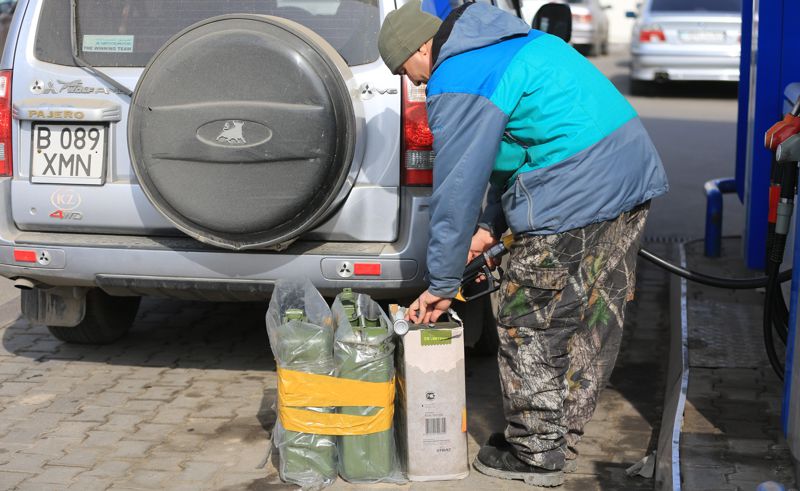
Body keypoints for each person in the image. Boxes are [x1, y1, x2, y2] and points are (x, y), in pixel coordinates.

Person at [378, 0, 668, 487]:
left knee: (526, 318)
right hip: (629, 175)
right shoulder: (515, 43)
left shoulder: (460, 75)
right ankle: (558, 437)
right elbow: (514, 151)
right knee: (593, 316)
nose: (420, 86)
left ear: (422, 47)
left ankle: (536, 454)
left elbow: (456, 188)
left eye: (412, 73)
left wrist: (444, 282)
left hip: (576, 188)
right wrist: (491, 228)